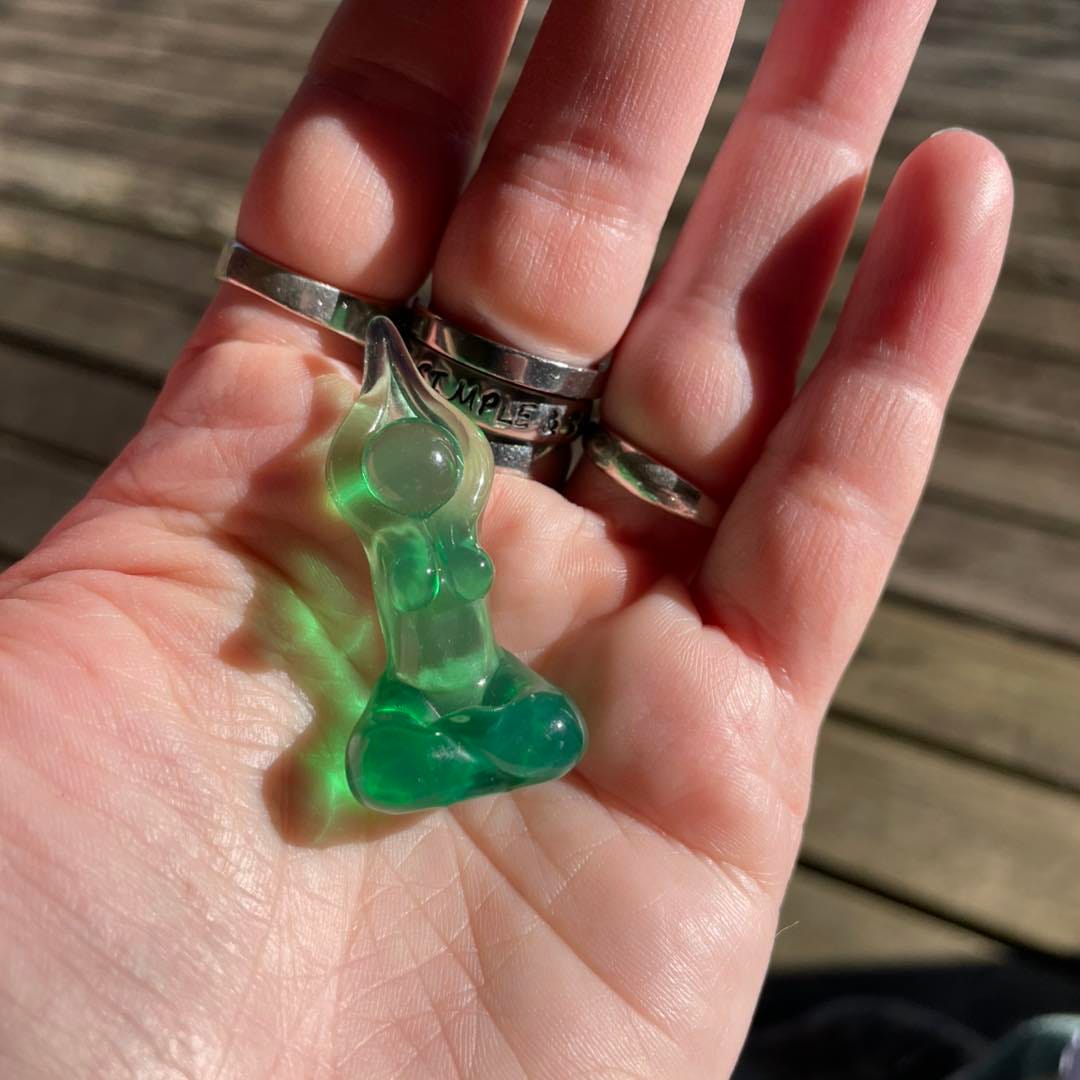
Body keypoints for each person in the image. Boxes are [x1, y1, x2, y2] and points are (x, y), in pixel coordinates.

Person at [0, 0, 1012, 1076]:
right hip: (419, 686)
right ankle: (434, 742)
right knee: (400, 748)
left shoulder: (445, 531)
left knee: (542, 725)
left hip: (476, 675)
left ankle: (462, 734)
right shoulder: (395, 540)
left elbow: (455, 575)